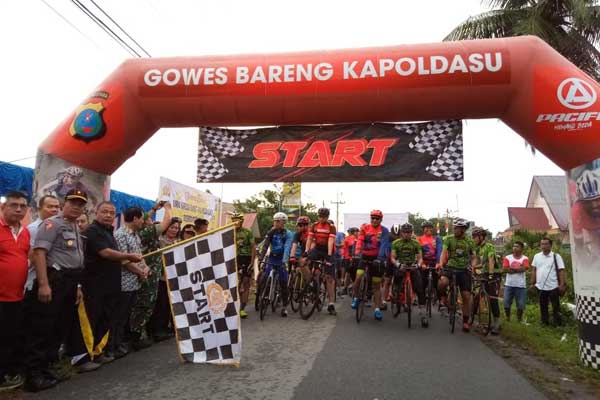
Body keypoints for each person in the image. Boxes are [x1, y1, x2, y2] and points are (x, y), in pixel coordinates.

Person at [24, 189, 88, 391]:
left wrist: (77, 286)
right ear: (64, 203)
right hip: (54, 281)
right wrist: (43, 284)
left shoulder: (74, 226)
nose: (77, 207)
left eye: (80, 204)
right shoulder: (53, 223)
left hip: (69, 282)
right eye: (73, 202)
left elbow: (74, 259)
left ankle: (45, 368)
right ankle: (33, 376)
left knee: (58, 327)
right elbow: (39, 253)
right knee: (42, 328)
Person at [75, 203, 143, 365]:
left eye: (111, 213)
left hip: (110, 285)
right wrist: (128, 256)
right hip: (94, 286)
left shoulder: (108, 232)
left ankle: (98, 351)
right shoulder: (93, 231)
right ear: (96, 212)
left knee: (105, 318)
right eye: (104, 212)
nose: (108, 215)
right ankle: (84, 357)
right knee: (92, 319)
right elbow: (105, 253)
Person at [0, 191, 31, 391]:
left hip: (16, 296)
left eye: (22, 206)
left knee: (8, 337)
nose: (18, 209)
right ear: (3, 208)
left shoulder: (26, 232)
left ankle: (4, 375)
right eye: (13, 205)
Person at [132, 202, 172, 344]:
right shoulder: (147, 232)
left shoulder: (141, 231)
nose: (149, 219)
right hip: (147, 274)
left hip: (149, 272)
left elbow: (146, 217)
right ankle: (136, 336)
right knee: (145, 304)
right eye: (145, 218)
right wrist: (168, 208)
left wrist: (154, 208)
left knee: (148, 304)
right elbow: (166, 222)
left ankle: (141, 333)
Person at [113, 208, 151, 354]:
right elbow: (124, 260)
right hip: (124, 283)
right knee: (119, 316)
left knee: (127, 315)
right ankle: (115, 345)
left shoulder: (136, 235)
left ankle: (123, 342)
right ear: (135, 218)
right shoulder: (120, 235)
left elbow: (139, 257)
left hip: (135, 283)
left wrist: (145, 268)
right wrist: (140, 271)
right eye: (142, 218)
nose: (143, 222)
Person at [351, 210, 390, 321]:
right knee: (358, 277)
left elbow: (383, 245)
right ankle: (355, 298)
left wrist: (380, 258)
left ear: (381, 220)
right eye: (372, 218)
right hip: (364, 256)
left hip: (377, 258)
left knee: (376, 286)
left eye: (377, 218)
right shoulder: (365, 228)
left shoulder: (384, 230)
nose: (374, 220)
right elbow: (360, 240)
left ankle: (377, 309)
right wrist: (358, 251)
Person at [438, 218, 475, 332]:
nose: (454, 229)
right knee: (443, 282)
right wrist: (441, 264)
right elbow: (444, 253)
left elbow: (474, 257)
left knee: (466, 296)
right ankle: (443, 297)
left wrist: (472, 266)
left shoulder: (470, 242)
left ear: (463, 229)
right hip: (450, 267)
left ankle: (465, 322)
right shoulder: (448, 239)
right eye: (454, 227)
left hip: (464, 269)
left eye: (457, 228)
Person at [390, 223, 428, 327]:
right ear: (401, 233)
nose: (407, 234)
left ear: (411, 233)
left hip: (412, 266)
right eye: (405, 232)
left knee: (420, 288)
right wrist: (397, 264)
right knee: (397, 280)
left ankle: (423, 315)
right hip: (401, 265)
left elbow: (420, 258)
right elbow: (392, 257)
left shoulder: (416, 243)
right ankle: (396, 295)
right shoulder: (396, 243)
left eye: (409, 232)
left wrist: (419, 265)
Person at [150, 217, 181, 338]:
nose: (174, 230)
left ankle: (164, 327)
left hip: (174, 279)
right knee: (160, 305)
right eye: (172, 227)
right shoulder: (159, 240)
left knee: (168, 305)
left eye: (177, 228)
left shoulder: (180, 241)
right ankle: (157, 330)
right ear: (166, 227)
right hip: (161, 278)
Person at [258, 212, 293, 317]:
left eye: (278, 221)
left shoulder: (288, 234)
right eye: (274, 221)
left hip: (282, 258)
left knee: (283, 282)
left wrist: (285, 260)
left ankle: (284, 307)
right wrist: (261, 258)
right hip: (272, 257)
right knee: (265, 276)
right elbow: (265, 246)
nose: (275, 223)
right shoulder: (271, 232)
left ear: (283, 222)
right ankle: (263, 296)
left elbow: (287, 248)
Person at [305, 208, 337, 316]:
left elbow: (330, 241)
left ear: (327, 217)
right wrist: (306, 251)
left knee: (329, 278)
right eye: (320, 216)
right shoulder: (314, 225)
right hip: (317, 248)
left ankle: (331, 303)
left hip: (328, 250)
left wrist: (328, 255)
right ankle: (310, 283)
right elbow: (310, 239)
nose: (322, 218)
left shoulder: (331, 227)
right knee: (306, 261)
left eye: (324, 217)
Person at [25, 195, 60, 292]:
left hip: (53, 279)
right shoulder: (34, 229)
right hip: (35, 281)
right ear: (40, 209)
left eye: (57, 207)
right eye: (50, 207)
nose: (54, 210)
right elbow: (33, 257)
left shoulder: (57, 227)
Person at [471, 226, 501, 335]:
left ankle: (497, 323)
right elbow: (482, 263)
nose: (474, 239)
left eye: (475, 237)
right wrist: (474, 268)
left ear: (481, 237)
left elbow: (491, 261)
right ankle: (471, 317)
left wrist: (491, 275)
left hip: (494, 274)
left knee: (492, 298)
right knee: (477, 295)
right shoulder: (479, 248)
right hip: (484, 273)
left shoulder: (489, 246)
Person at [530, 237, 566, 326]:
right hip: (540, 286)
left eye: (546, 244)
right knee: (543, 306)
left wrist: (561, 284)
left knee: (555, 306)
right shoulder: (537, 256)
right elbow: (534, 270)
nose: (544, 246)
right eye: (542, 244)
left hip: (553, 286)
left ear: (550, 245)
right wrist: (532, 283)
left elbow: (561, 270)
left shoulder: (556, 256)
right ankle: (544, 323)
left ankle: (557, 324)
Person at [231, 213, 255, 319]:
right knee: (234, 283)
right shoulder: (229, 232)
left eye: (238, 220)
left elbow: (253, 247)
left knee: (245, 283)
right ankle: (232, 307)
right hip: (233, 258)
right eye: (234, 220)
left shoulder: (247, 232)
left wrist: (252, 262)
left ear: (242, 221)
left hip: (245, 258)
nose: (236, 222)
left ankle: (242, 309)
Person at [503, 241, 529, 322]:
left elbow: (524, 268)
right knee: (506, 302)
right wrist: (519, 269)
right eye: (514, 246)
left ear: (521, 248)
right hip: (509, 284)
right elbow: (505, 269)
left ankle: (519, 319)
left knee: (521, 305)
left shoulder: (525, 258)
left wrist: (511, 268)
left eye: (517, 246)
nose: (514, 248)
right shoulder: (507, 257)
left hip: (521, 285)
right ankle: (508, 318)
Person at [417, 221, 442, 305]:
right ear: (423, 229)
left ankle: (440, 300)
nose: (428, 229)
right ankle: (422, 300)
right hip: (424, 262)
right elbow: (418, 253)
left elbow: (439, 251)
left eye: (430, 227)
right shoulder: (419, 239)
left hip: (434, 262)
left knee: (437, 282)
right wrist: (422, 263)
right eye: (426, 227)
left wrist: (438, 262)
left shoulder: (437, 238)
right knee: (422, 281)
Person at [341, 227, 358, 295]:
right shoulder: (350, 238)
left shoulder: (347, 238)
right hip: (351, 258)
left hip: (348, 258)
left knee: (348, 273)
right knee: (352, 274)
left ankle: (346, 288)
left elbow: (344, 247)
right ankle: (351, 287)